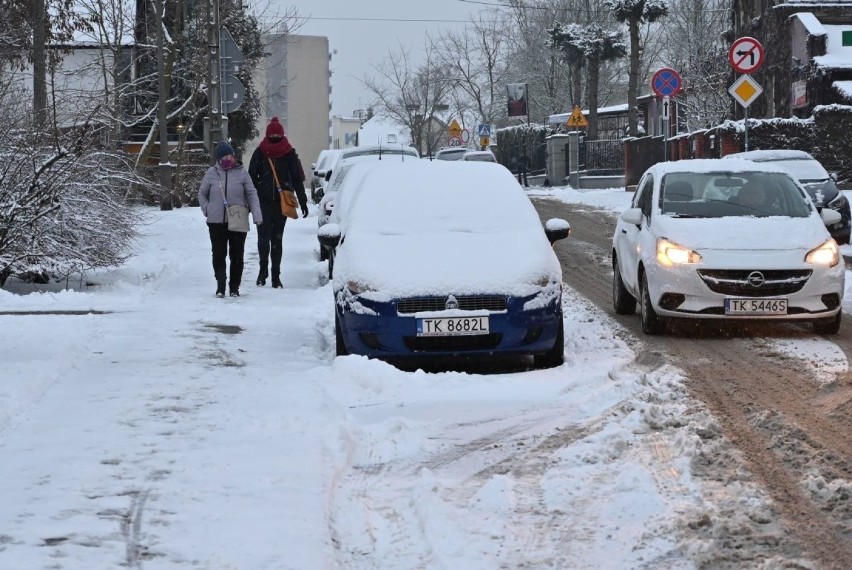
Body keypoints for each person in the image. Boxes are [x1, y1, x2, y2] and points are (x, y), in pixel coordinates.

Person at [248, 117, 309, 289]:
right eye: (272, 134)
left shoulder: (287, 153)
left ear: (282, 134)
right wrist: (250, 201)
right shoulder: (262, 152)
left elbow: (297, 179)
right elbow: (251, 178)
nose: (275, 136)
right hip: (263, 201)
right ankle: (263, 271)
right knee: (264, 238)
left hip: (280, 203)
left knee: (275, 239)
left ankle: (275, 274)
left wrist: (303, 201)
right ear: (268, 135)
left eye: (277, 134)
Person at [198, 141, 263, 298]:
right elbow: (202, 194)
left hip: (238, 220)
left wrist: (256, 214)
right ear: (219, 159)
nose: (228, 159)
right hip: (216, 222)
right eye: (224, 156)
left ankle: (234, 287)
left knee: (237, 255)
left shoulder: (242, 173)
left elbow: (252, 193)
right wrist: (207, 209)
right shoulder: (211, 173)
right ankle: (221, 284)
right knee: (219, 254)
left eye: (230, 155)